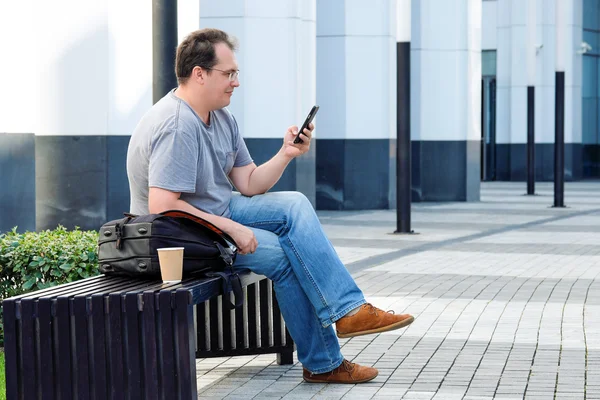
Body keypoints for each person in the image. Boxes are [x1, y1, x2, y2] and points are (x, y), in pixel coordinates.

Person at [126, 28, 414, 384]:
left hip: (216, 215)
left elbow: (248, 183)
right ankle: (324, 362)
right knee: (285, 257)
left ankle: (348, 311)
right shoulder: (177, 124)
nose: (236, 82)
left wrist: (286, 153)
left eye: (236, 74)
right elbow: (163, 204)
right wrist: (231, 228)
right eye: (228, 74)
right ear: (199, 74)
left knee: (294, 204)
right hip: (178, 237)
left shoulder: (220, 117)